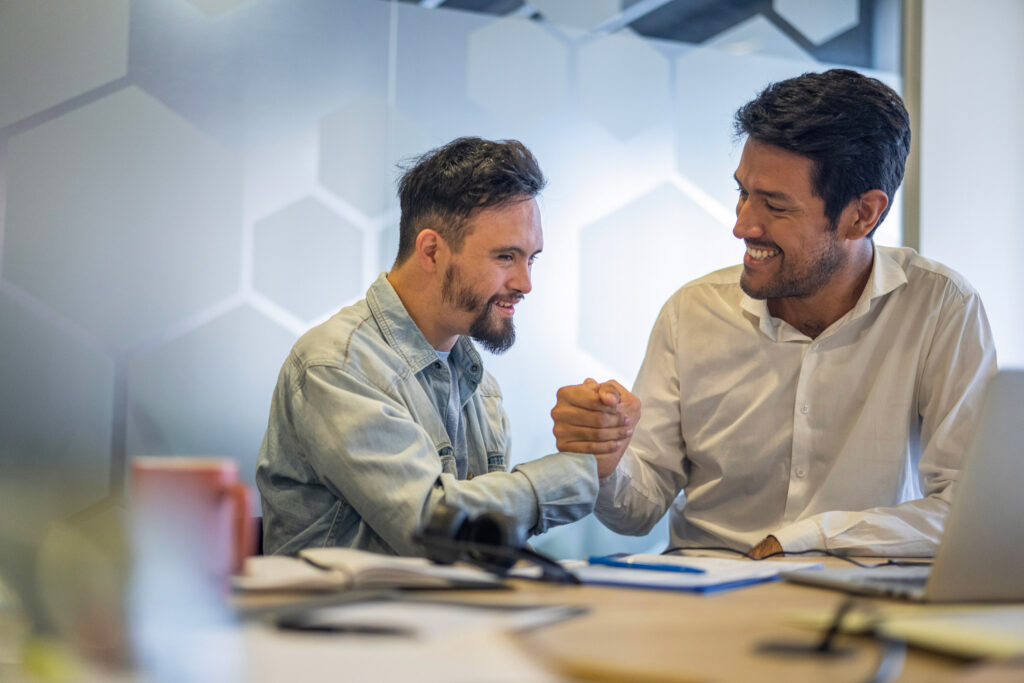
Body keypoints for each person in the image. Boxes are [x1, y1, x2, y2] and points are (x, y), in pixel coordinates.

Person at [552, 69, 997, 558]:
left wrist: (809, 538)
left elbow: (969, 510)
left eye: (775, 206)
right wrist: (606, 459)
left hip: (856, 602)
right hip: (701, 601)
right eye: (743, 192)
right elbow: (637, 512)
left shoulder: (940, 307)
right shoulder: (691, 312)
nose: (742, 225)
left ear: (862, 215)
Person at [256, 137, 600, 556]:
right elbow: (433, 525)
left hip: (449, 618)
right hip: (346, 618)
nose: (525, 283)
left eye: (532, 259)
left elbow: (483, 545)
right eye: (505, 257)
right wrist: (579, 471)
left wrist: (598, 442)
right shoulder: (336, 366)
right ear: (432, 250)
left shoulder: (481, 387)